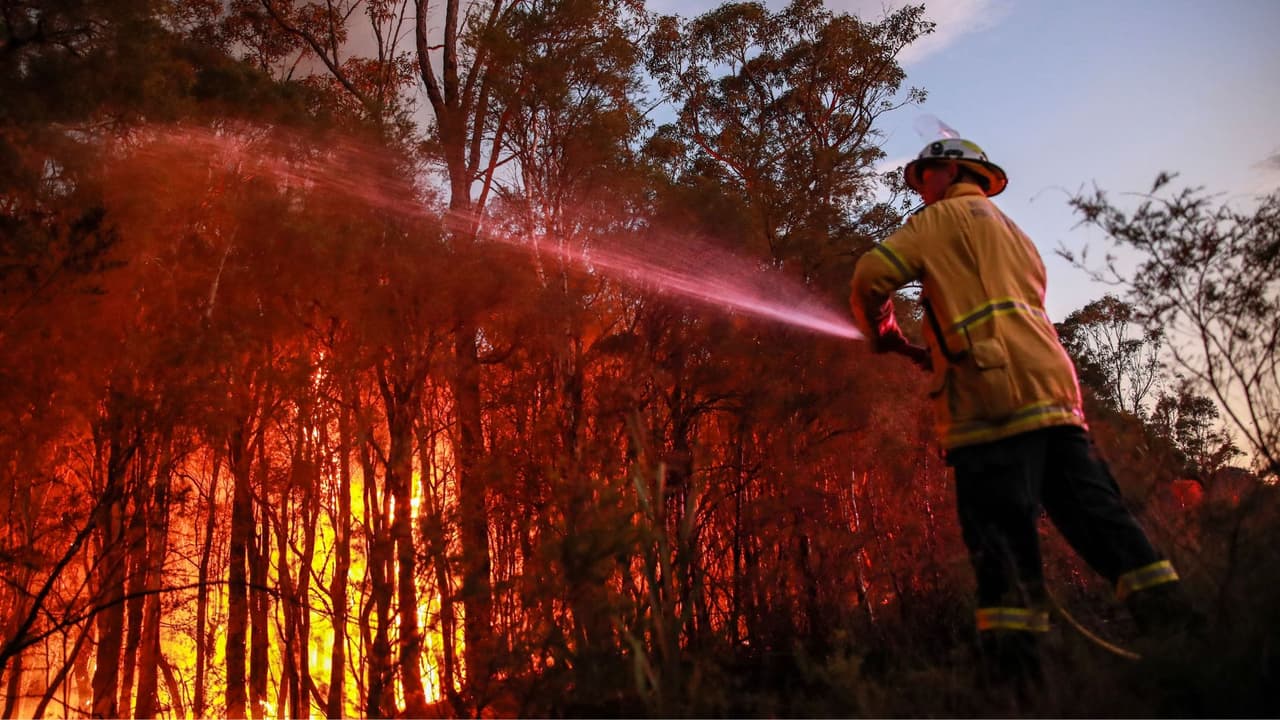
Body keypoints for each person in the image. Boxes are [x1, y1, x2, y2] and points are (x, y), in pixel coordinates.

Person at [849, 137, 1194, 691]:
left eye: (925, 176)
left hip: (992, 405)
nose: (920, 187)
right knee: (1104, 523)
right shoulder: (1014, 233)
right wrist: (932, 347)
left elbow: (871, 276)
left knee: (1003, 549)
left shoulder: (940, 220)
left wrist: (884, 332)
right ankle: (1190, 642)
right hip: (1054, 393)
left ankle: (1017, 689)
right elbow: (988, 309)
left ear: (952, 171)